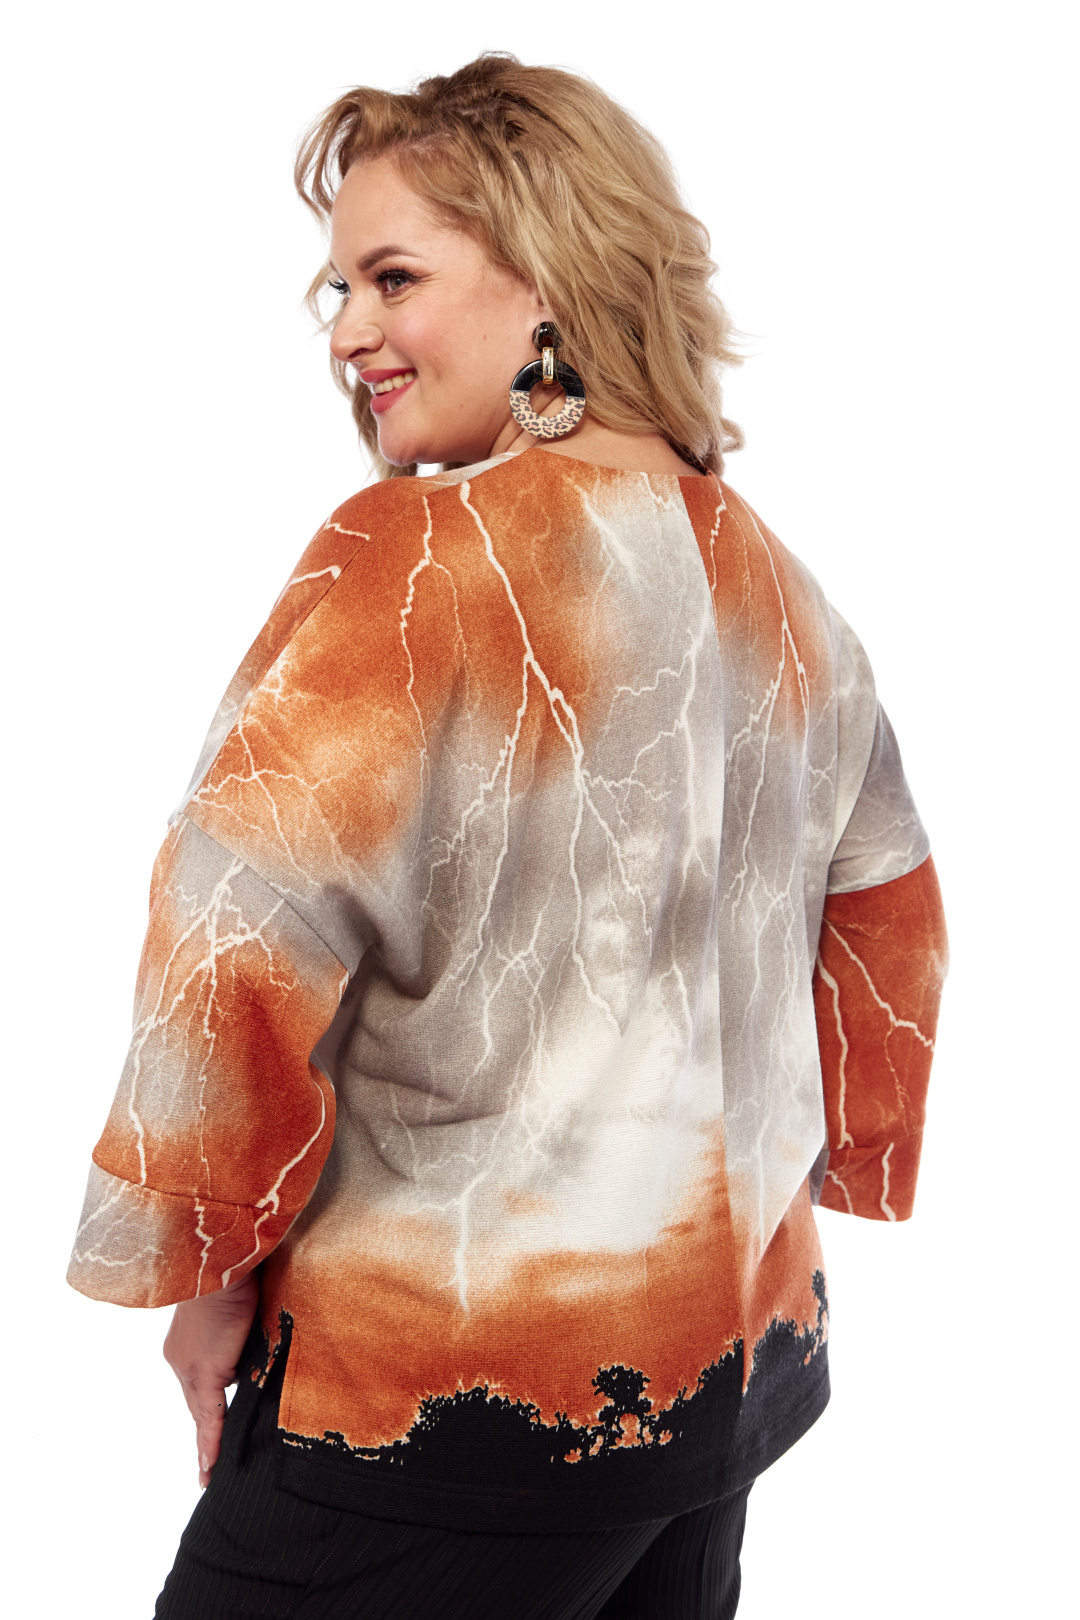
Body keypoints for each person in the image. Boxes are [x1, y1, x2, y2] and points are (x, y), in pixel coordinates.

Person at [67, 53, 948, 1620]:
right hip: (716, 1391)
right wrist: (860, 1158)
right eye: (337, 288)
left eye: (393, 277)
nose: (347, 330)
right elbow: (888, 905)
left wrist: (204, 1275)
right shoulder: (779, 588)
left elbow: (233, 940)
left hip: (441, 1401)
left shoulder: (406, 566)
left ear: (547, 276)